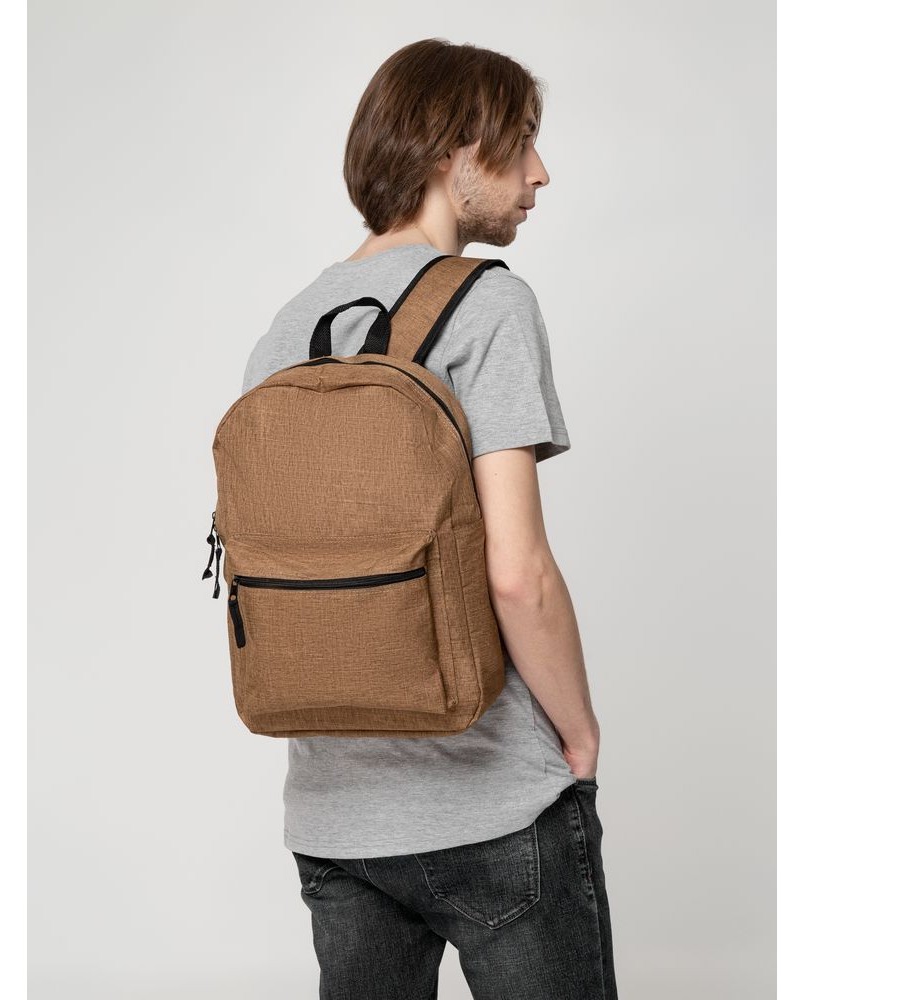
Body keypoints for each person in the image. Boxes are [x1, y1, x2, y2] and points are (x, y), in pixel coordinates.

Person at [240, 38, 618, 1000]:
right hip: (491, 807)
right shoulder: (488, 304)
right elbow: (517, 574)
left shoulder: (284, 332)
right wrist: (578, 737)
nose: (540, 173)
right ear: (455, 152)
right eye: (521, 143)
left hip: (332, 821)